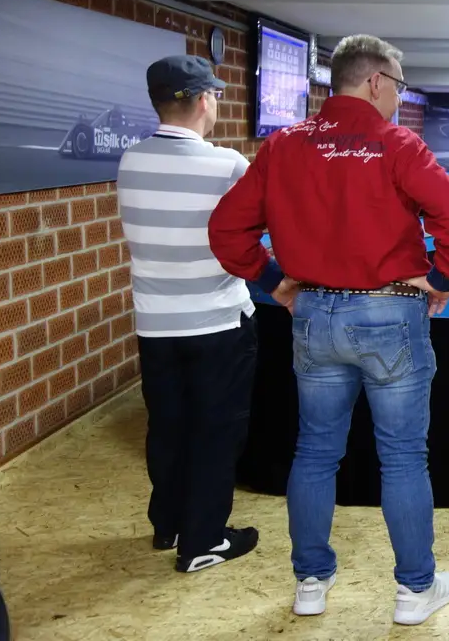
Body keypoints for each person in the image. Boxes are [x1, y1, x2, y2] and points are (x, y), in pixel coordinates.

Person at [208, 35, 449, 624]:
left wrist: (275, 282)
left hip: (313, 316)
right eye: (399, 86)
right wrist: (442, 278)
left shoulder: (284, 145)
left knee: (314, 452)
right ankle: (415, 590)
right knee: (403, 458)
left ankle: (310, 583)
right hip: (389, 314)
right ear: (376, 81)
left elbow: (227, 229)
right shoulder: (397, 144)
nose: (399, 98)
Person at [117, 55, 273, 573]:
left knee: (167, 426)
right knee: (216, 430)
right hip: (218, 324)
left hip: (155, 326)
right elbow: (258, 231)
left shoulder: (131, 160)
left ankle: (168, 524)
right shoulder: (225, 164)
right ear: (205, 100)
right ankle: (204, 540)